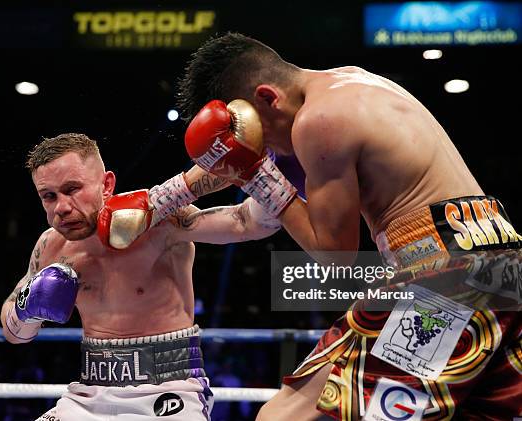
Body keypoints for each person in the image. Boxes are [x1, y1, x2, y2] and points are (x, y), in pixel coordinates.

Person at [176, 32, 522, 420]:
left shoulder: (317, 121)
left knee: (289, 417)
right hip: (492, 259)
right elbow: (252, 216)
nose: (265, 149)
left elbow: (336, 255)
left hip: (445, 278)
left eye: (261, 135)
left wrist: (255, 173)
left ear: (267, 97)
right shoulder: (353, 84)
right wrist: (170, 212)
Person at [0, 132, 282, 421]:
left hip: (169, 392)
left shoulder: (159, 223)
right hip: (88, 396)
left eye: (72, 189)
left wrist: (273, 164)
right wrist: (27, 308)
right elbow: (15, 334)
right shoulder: (51, 246)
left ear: (106, 184)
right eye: (49, 196)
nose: (61, 207)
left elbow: (250, 223)